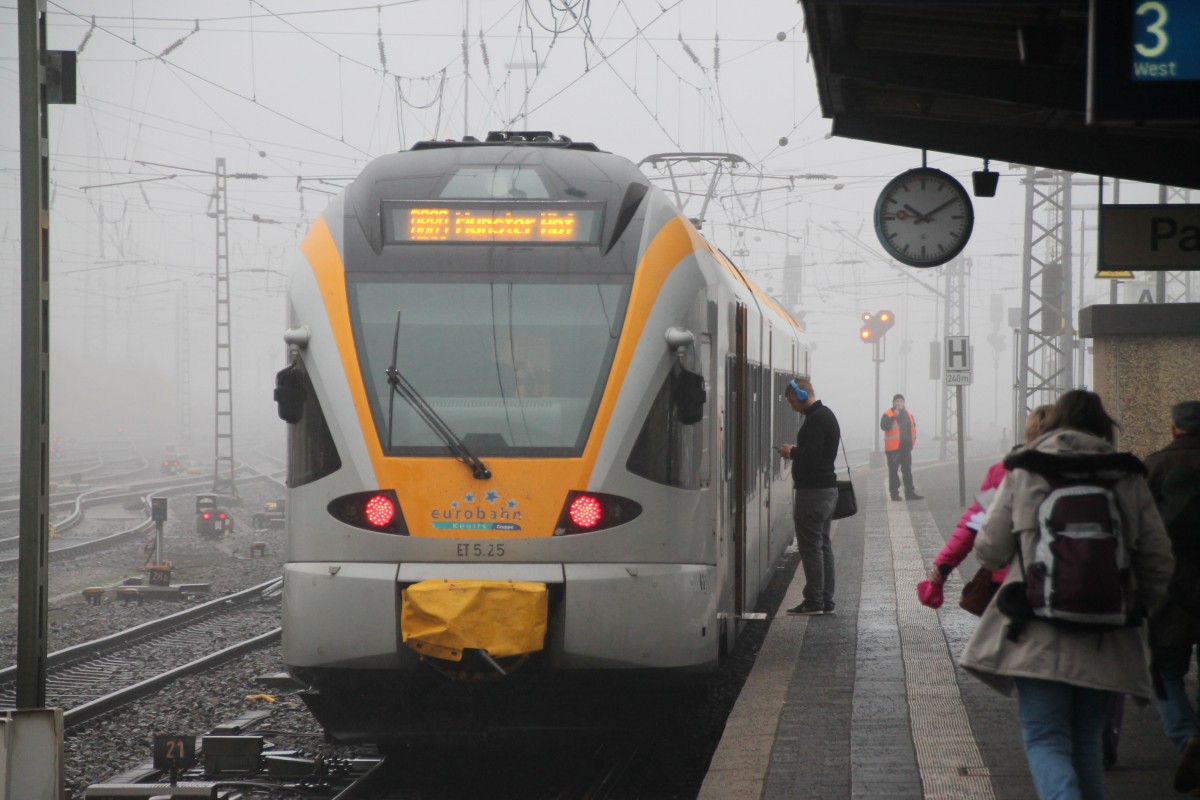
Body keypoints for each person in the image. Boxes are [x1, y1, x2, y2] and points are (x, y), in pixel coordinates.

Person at [959, 390, 1174, 800]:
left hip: (1035, 627)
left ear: (1055, 423)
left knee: (1045, 737)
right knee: (1087, 742)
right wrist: (1133, 603)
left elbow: (989, 549)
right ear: (1104, 428)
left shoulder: (1025, 469)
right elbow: (1159, 558)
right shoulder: (1126, 475)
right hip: (1107, 631)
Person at [919, 405, 1053, 608]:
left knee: (999, 637)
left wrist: (943, 566)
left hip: (1013, 580)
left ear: (1029, 432)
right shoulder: (1086, 472)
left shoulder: (1004, 472)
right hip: (1070, 580)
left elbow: (974, 524)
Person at [1144, 400, 1200, 792]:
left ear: (1174, 428)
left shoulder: (1155, 465)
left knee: (1165, 672)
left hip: (1170, 586)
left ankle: (1187, 739)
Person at [778, 376, 841, 616]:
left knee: (811, 548)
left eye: (791, 401)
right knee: (823, 546)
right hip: (827, 490)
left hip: (813, 492)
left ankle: (814, 600)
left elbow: (813, 455)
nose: (792, 406)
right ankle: (825, 599)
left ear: (800, 396)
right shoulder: (827, 415)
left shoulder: (815, 420)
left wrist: (792, 452)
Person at [880, 393, 922, 501]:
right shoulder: (888, 413)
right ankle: (894, 494)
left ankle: (910, 493)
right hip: (893, 449)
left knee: (907, 470)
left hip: (906, 448)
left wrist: (912, 443)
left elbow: (913, 428)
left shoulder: (908, 414)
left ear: (904, 403)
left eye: (901, 401)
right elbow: (884, 426)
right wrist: (893, 416)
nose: (899, 403)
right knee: (893, 472)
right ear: (893, 403)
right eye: (897, 401)